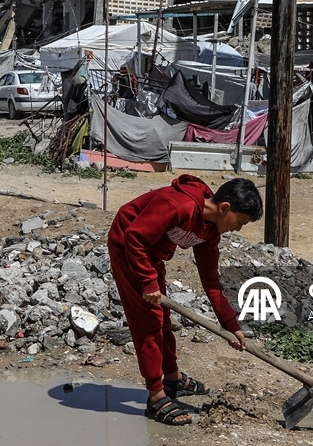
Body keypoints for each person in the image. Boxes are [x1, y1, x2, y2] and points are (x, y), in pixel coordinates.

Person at [107, 175, 263, 425]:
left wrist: (231, 325)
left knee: (163, 319)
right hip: (127, 247)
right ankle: (156, 396)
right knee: (149, 322)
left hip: (151, 254)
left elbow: (211, 282)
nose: (238, 229)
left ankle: (171, 378)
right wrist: (148, 281)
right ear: (225, 208)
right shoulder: (180, 205)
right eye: (240, 222)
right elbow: (134, 237)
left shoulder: (210, 232)